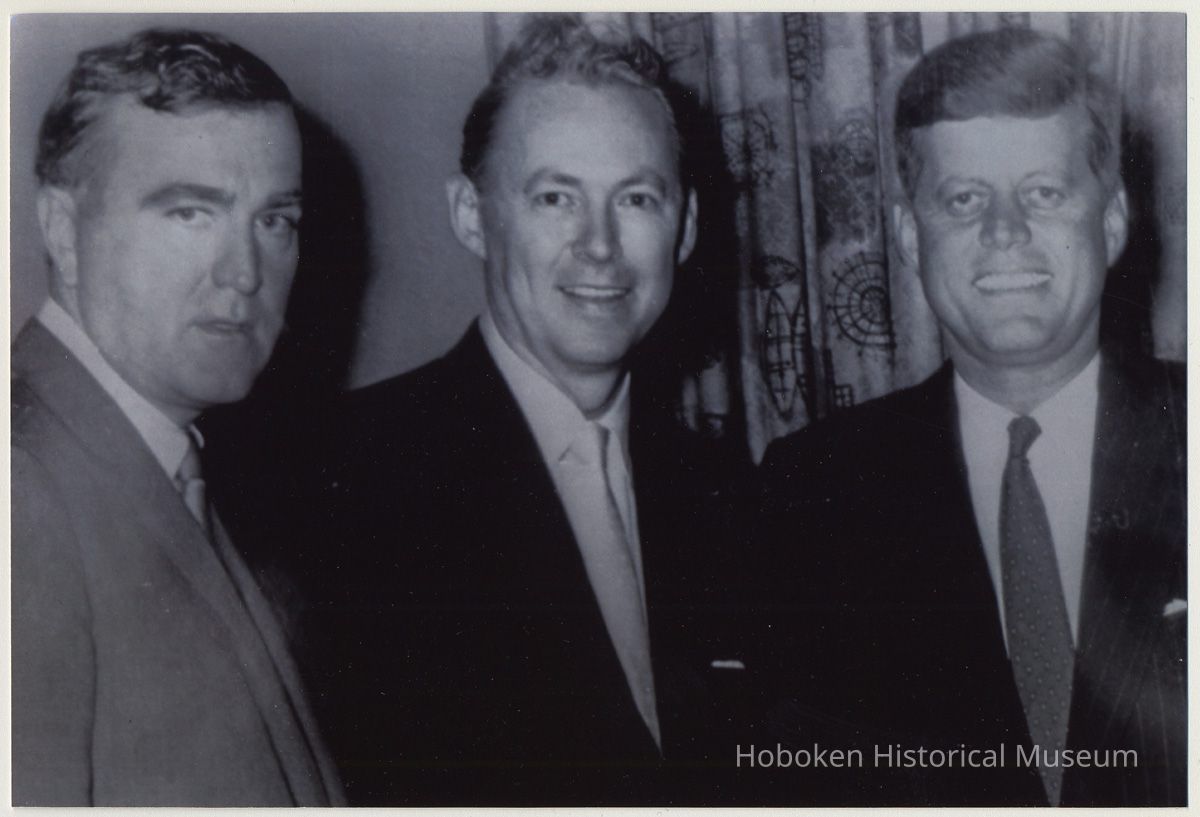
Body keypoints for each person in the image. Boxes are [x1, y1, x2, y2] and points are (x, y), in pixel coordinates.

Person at [291, 15, 756, 806]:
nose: (599, 246)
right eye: (554, 197)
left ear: (686, 230)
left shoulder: (723, 491)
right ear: (472, 216)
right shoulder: (347, 479)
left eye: (637, 198)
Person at [758, 28, 1185, 807]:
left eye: (1045, 192)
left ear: (1115, 220)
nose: (1004, 231)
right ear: (909, 235)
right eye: (963, 199)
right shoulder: (810, 491)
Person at [11, 28, 344, 806]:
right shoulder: (24, 490)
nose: (245, 273)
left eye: (275, 221)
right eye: (191, 213)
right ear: (62, 229)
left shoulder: (166, 456)